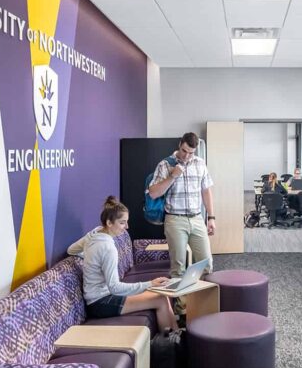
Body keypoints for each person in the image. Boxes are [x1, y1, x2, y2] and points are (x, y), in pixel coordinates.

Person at [68, 196, 178, 331]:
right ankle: (171, 346)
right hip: (101, 303)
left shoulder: (94, 233)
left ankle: (176, 335)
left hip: (102, 297)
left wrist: (90, 257)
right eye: (122, 223)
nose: (127, 227)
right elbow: (115, 287)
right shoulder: (107, 248)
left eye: (126, 222)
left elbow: (71, 250)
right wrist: (150, 284)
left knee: (162, 296)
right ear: (109, 223)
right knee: (160, 299)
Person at [148, 132, 215, 278]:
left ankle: (201, 299)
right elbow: (153, 193)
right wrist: (173, 176)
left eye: (191, 153)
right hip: (175, 220)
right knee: (178, 268)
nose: (186, 156)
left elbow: (206, 191)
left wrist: (211, 217)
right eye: (184, 151)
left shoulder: (200, 163)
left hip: (197, 218)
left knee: (206, 264)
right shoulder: (165, 164)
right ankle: (181, 301)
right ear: (180, 144)